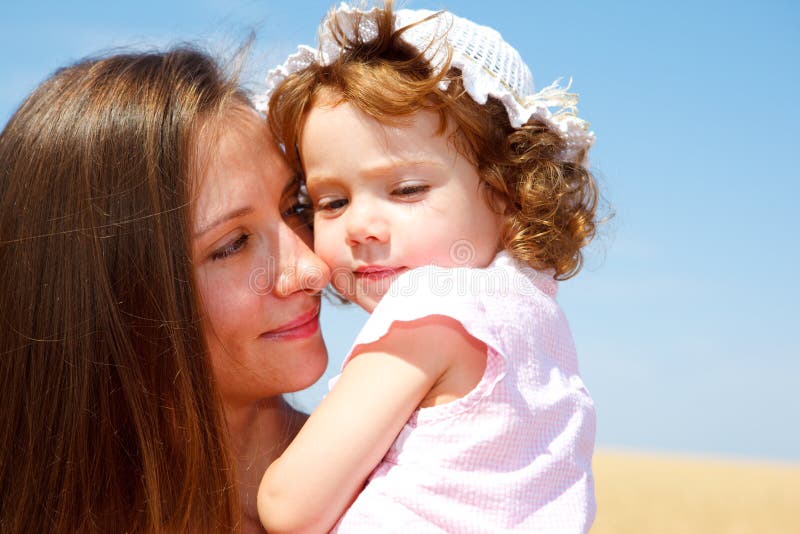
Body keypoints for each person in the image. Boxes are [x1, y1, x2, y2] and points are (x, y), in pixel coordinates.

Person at [257, 2, 600, 532]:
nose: (360, 226)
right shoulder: (541, 326)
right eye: (331, 201)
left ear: (509, 192)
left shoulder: (430, 308)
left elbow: (288, 506)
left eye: (407, 189)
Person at [0, 47, 330, 533]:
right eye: (233, 244)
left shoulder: (420, 486)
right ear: (107, 295)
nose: (313, 267)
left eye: (294, 207)